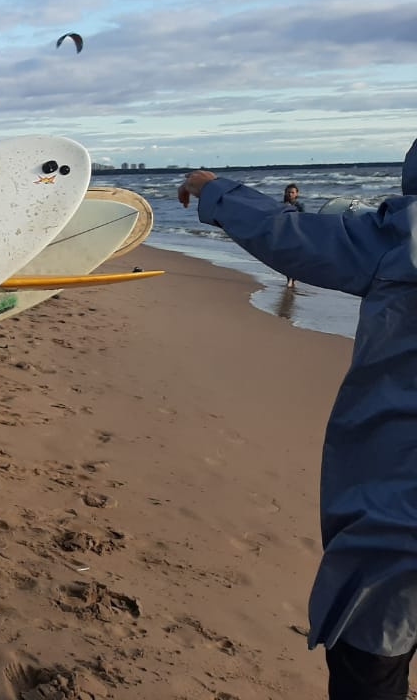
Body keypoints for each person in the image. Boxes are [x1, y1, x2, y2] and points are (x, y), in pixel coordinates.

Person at [178, 140, 417, 700]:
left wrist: (214, 189)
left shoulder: (400, 238)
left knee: (370, 666)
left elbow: (291, 234)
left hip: (395, 520)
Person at [283, 184, 306, 286]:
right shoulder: (281, 205)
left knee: (295, 258)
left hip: (297, 234)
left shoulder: (300, 206)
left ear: (297, 194)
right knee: (286, 258)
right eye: (288, 192)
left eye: (292, 192)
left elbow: (304, 219)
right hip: (285, 234)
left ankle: (293, 279)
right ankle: (289, 280)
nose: (290, 194)